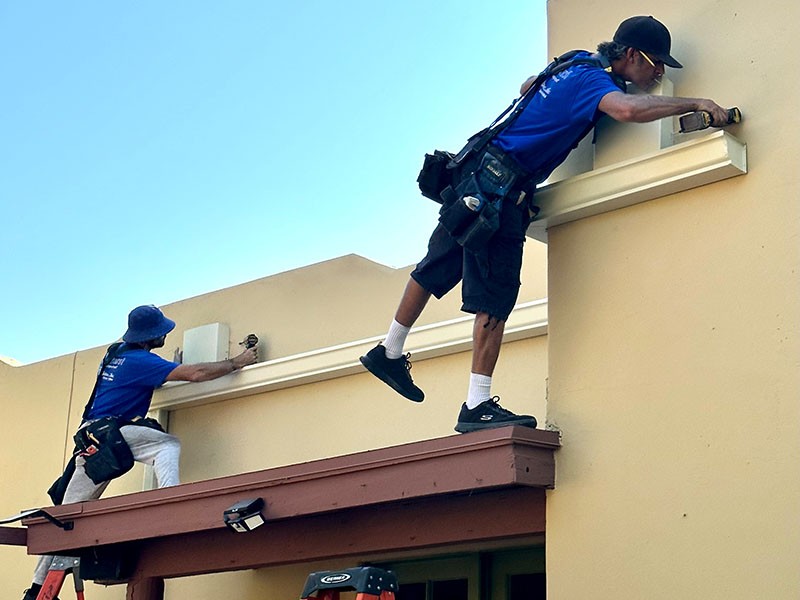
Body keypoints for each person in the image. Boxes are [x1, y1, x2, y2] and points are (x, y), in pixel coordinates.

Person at [360, 16, 734, 433]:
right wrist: (696, 102)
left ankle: (389, 349)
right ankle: (476, 405)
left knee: (436, 265)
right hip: (501, 189)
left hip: (476, 175)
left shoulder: (575, 62)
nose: (659, 72)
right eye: (655, 63)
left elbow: (526, 87)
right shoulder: (596, 84)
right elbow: (627, 110)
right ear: (630, 55)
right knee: (496, 293)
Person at [22, 305, 258, 600]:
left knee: (66, 518)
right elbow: (196, 373)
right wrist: (237, 362)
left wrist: (165, 369)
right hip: (113, 437)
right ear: (152, 335)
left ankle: (36, 590)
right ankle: (170, 500)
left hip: (91, 442)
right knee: (167, 444)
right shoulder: (139, 362)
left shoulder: (116, 353)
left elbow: (139, 378)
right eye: (162, 332)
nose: (165, 334)